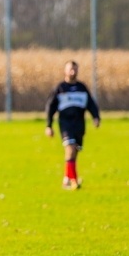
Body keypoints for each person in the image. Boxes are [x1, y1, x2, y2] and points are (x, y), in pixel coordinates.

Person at [45, 60, 101, 189]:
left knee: (75, 152)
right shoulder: (60, 88)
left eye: (75, 69)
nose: (72, 71)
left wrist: (96, 117)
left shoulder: (82, 88)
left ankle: (66, 178)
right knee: (70, 150)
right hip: (65, 124)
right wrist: (49, 125)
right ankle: (74, 181)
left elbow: (91, 104)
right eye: (70, 69)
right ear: (65, 71)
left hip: (79, 125)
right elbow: (50, 107)